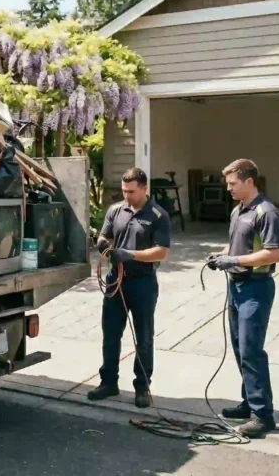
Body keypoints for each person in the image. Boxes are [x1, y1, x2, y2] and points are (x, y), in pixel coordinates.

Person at [207, 159, 279, 438]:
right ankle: (249, 402)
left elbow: (274, 253)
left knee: (252, 350)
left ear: (249, 182)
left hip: (256, 287)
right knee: (240, 348)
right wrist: (222, 256)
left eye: (232, 183)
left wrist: (234, 260)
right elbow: (236, 245)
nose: (228, 188)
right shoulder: (238, 211)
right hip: (237, 287)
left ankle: (263, 416)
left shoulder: (267, 212)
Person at [89, 168, 171, 408]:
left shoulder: (158, 215)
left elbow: (161, 252)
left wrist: (130, 254)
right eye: (124, 191)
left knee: (144, 337)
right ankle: (108, 382)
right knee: (111, 333)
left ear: (144, 189)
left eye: (132, 192)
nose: (127, 196)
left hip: (143, 282)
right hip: (116, 280)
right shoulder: (116, 210)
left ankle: (142, 386)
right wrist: (105, 246)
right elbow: (106, 238)